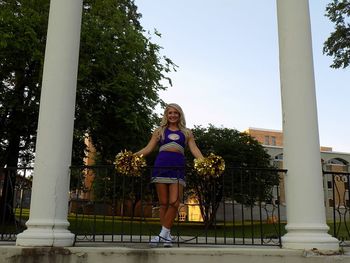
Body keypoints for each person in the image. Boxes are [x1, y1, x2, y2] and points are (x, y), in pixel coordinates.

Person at [135, 103, 203, 247]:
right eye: (170, 113)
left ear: (180, 115)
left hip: (178, 168)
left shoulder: (186, 132)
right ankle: (167, 237)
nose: (173, 115)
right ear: (166, 115)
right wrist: (132, 157)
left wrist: (205, 161)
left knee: (175, 202)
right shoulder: (159, 131)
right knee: (164, 203)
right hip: (161, 167)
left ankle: (161, 235)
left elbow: (194, 149)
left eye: (175, 113)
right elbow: (148, 148)